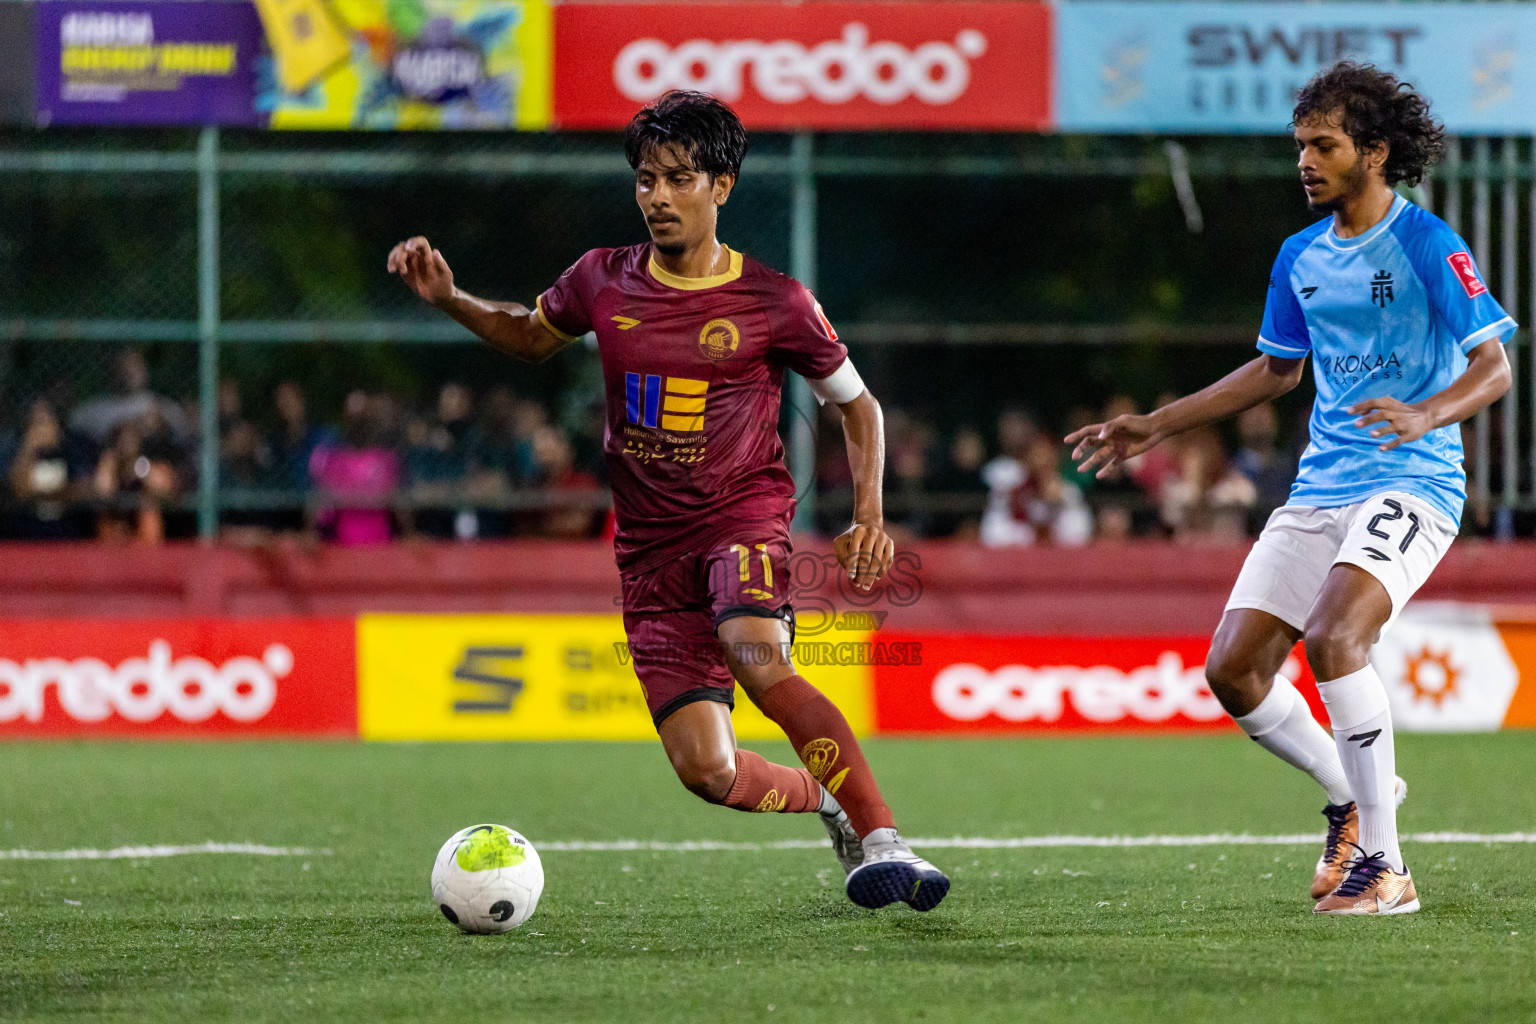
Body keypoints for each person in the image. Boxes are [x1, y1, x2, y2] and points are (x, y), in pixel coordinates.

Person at [387, 90, 947, 912]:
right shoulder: (600, 279)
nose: (656, 196)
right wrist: (451, 300)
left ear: (720, 186)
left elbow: (856, 405)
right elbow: (528, 335)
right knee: (708, 772)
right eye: (645, 179)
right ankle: (823, 797)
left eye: (678, 179)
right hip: (649, 553)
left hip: (742, 518)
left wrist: (869, 515)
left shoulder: (774, 303)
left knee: (756, 652)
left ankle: (883, 838)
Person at [1069, 63, 1514, 916]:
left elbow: (1493, 366)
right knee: (1232, 671)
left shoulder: (1429, 243)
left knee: (1335, 637)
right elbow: (1276, 372)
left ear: (1375, 153)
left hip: (1414, 482)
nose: (1304, 162)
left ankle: (1386, 867)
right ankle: (1351, 799)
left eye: (1324, 145)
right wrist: (1155, 423)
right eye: (1299, 146)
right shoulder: (1298, 256)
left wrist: (1428, 414)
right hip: (1322, 487)